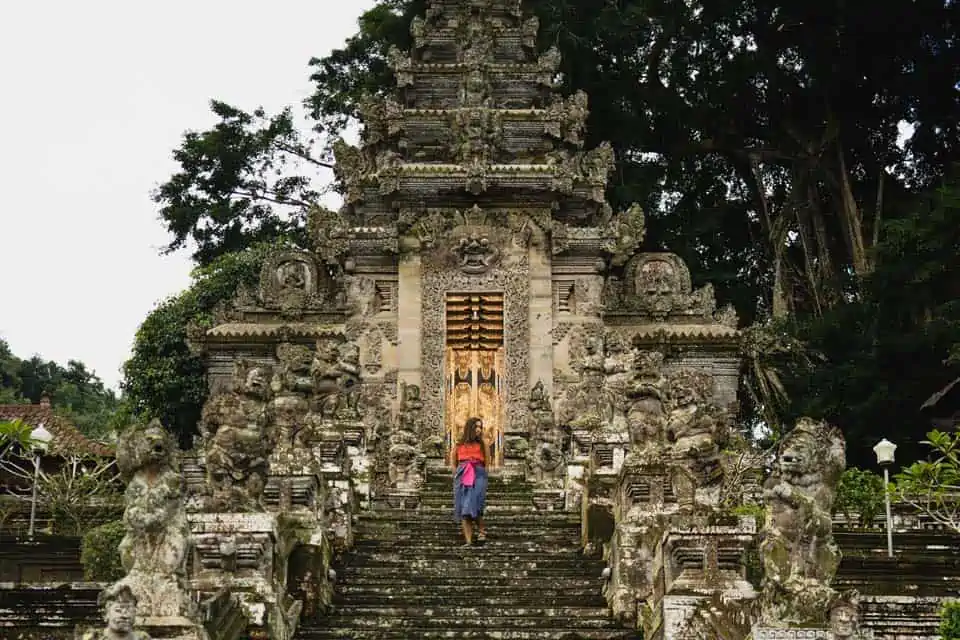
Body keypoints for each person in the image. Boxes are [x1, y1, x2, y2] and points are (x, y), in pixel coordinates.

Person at [453, 416, 488, 547]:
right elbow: (454, 461)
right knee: (464, 508)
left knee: (474, 504)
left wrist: (483, 478)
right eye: (476, 426)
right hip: (462, 474)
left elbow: (487, 464)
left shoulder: (482, 444)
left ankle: (482, 531)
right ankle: (468, 541)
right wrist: (457, 474)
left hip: (478, 474)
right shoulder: (459, 444)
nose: (479, 429)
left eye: (480, 427)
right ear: (469, 428)